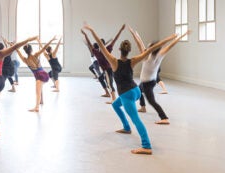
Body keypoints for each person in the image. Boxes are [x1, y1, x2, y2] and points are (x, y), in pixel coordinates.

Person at [83, 24, 176, 155]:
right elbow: (152, 49)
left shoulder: (113, 61)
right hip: (136, 91)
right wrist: (168, 39)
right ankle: (126, 127)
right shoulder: (132, 61)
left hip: (127, 95)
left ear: (120, 49)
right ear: (129, 50)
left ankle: (146, 146)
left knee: (136, 119)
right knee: (115, 105)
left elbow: (100, 44)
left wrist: (92, 30)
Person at [133, 27, 190, 124]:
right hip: (150, 81)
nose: (147, 45)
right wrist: (182, 36)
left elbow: (139, 44)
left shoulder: (146, 56)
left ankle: (164, 118)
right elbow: (172, 44)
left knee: (152, 101)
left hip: (147, 83)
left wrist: (135, 35)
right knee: (138, 91)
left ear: (151, 48)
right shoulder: (160, 54)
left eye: (149, 45)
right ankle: (142, 107)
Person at [81, 24, 125, 103]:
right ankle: (108, 94)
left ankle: (114, 99)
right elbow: (90, 44)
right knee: (103, 79)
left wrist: (121, 30)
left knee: (110, 84)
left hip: (108, 70)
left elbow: (115, 39)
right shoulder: (97, 51)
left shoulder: (105, 49)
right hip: (107, 70)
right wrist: (85, 35)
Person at [16, 37, 57, 112]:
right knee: (40, 88)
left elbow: (19, 53)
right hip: (45, 74)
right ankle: (41, 101)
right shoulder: (35, 55)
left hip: (39, 76)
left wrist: (15, 47)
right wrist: (51, 40)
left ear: (25, 51)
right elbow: (44, 48)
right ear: (31, 50)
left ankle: (37, 107)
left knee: (37, 92)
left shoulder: (25, 60)